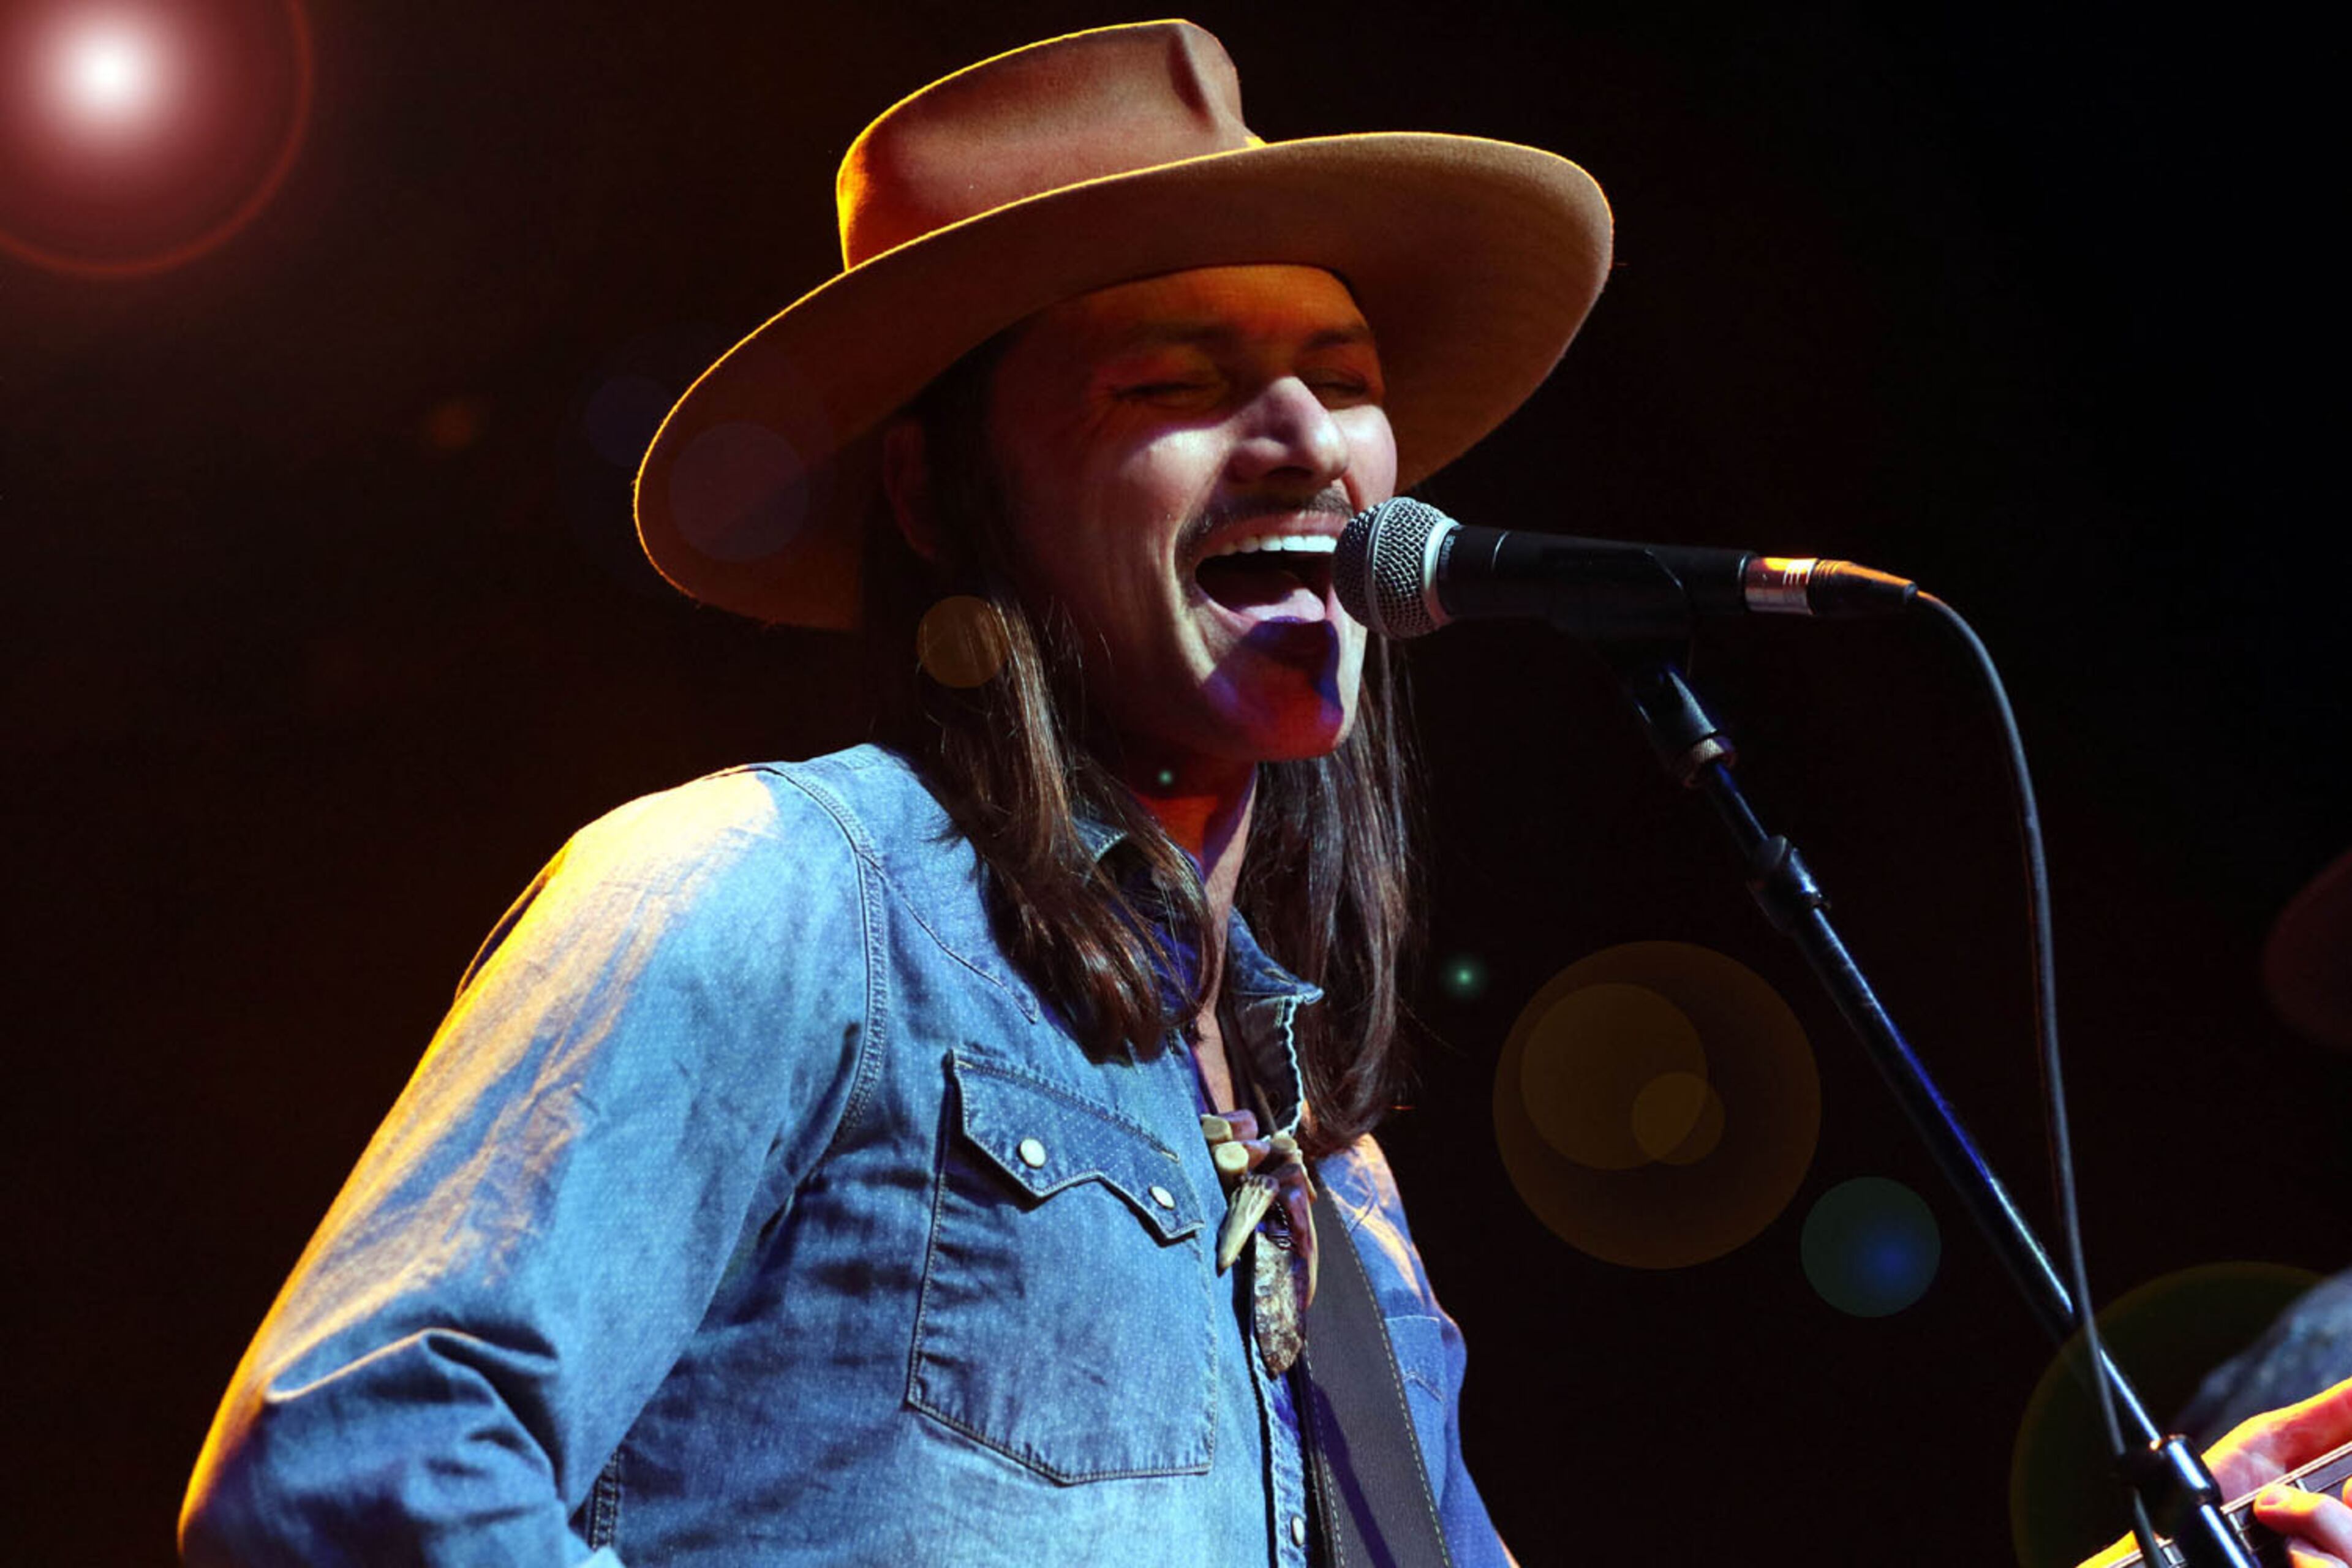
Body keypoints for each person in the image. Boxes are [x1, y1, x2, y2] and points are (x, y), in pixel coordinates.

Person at [176, 20, 2352, 1567]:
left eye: (1350, 377)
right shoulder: (764, 892)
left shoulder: (1336, 1176)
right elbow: (355, 1467)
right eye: (1180, 382)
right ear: (942, 494)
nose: (1313, 438)